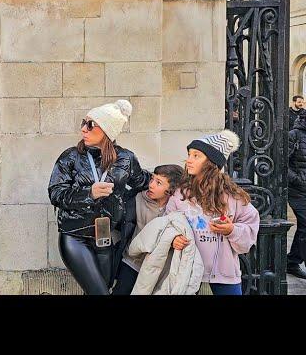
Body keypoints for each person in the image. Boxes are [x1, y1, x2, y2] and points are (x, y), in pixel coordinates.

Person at [47, 99, 151, 295]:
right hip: (75, 237)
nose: (84, 129)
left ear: (107, 131)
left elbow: (144, 182)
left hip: (105, 236)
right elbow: (56, 193)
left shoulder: (126, 159)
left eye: (91, 124)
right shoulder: (71, 157)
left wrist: (180, 184)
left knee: (102, 289)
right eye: (83, 123)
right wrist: (89, 194)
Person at [167, 130, 260, 295]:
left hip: (224, 278)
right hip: (187, 275)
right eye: (189, 154)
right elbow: (167, 224)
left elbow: (250, 231)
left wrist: (232, 230)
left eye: (196, 156)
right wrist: (173, 239)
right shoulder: (180, 194)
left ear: (211, 163)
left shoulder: (233, 197)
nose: (189, 160)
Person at [111, 164, 184, 295]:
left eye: (159, 183)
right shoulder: (137, 199)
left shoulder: (178, 208)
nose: (151, 185)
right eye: (152, 179)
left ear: (172, 189)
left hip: (158, 268)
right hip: (132, 262)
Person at [287, 111, 306, 279]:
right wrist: (298, 180)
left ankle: (292, 261)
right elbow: (280, 162)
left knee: (303, 227)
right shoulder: (294, 135)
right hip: (297, 189)